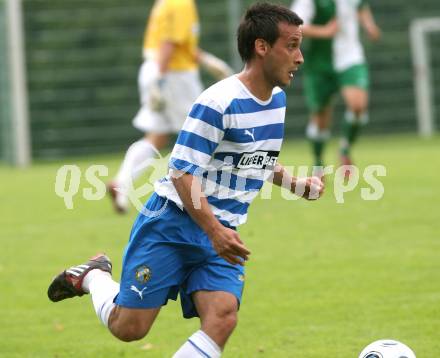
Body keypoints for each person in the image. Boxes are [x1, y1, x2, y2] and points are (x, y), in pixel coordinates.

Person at [48, 3, 324, 357]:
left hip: (221, 234)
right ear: (261, 47)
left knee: (223, 317)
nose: (299, 57)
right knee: (128, 328)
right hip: (173, 224)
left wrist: (297, 185)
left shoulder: (277, 101)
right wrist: (214, 231)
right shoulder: (218, 102)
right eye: (292, 45)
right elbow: (181, 172)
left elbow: (257, 159)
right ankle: (93, 276)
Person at [108, 0, 233, 213]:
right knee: (204, 131)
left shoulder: (166, 3)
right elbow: (168, 44)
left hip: (159, 70)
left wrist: (206, 60)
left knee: (156, 136)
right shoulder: (181, 3)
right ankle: (212, 190)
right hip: (174, 75)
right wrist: (160, 78)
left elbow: (180, 43)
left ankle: (121, 184)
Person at [291, 0, 381, 176]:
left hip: (350, 58)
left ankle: (345, 148)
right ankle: (318, 162)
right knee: (321, 118)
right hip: (320, 64)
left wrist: (369, 26)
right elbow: (294, 27)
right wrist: (324, 31)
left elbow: (361, 6)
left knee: (357, 105)